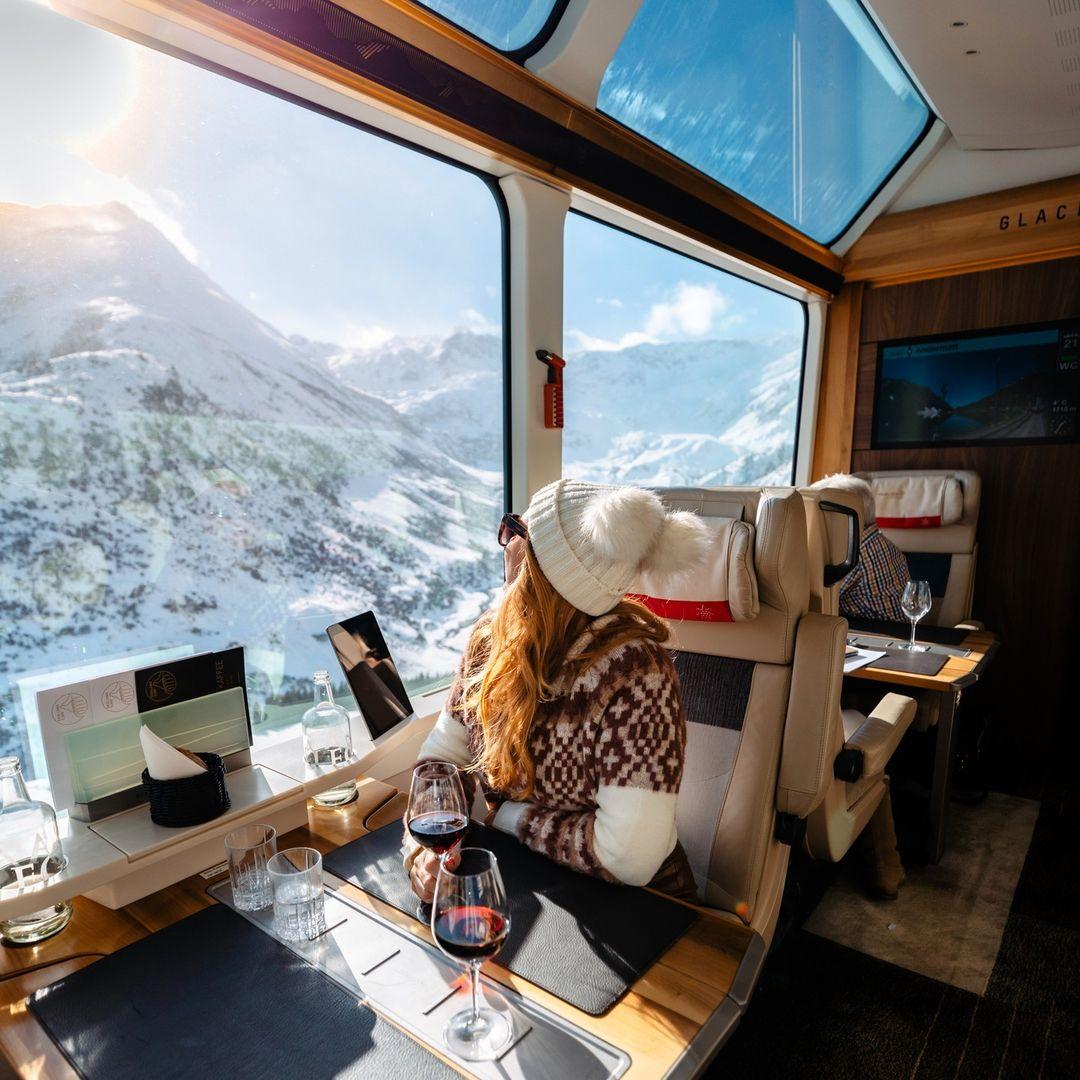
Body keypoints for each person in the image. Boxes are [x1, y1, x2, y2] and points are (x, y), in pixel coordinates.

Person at [403, 479, 710, 904]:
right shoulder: (492, 639)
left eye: (516, 531)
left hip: (641, 907)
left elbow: (630, 857)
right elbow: (442, 760)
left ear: (543, 571)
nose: (505, 543)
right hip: (528, 878)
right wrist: (426, 850)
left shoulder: (636, 674)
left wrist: (511, 818)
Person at [811, 473, 909, 899]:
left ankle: (886, 864)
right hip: (868, 667)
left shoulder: (851, 556)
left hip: (870, 681)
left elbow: (818, 593)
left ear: (848, 519)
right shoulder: (886, 546)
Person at [811, 474, 909, 624]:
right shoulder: (877, 541)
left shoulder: (854, 552)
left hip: (874, 636)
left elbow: (816, 595)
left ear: (844, 516)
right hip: (891, 633)